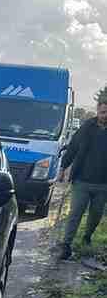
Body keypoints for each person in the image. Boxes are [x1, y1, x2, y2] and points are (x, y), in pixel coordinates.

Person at [58, 99, 107, 260]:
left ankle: (87, 236)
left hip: (103, 184)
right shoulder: (86, 128)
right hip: (82, 181)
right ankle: (66, 245)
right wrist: (63, 168)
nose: (105, 116)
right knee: (75, 213)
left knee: (96, 215)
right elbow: (72, 148)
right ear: (97, 111)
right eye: (103, 112)